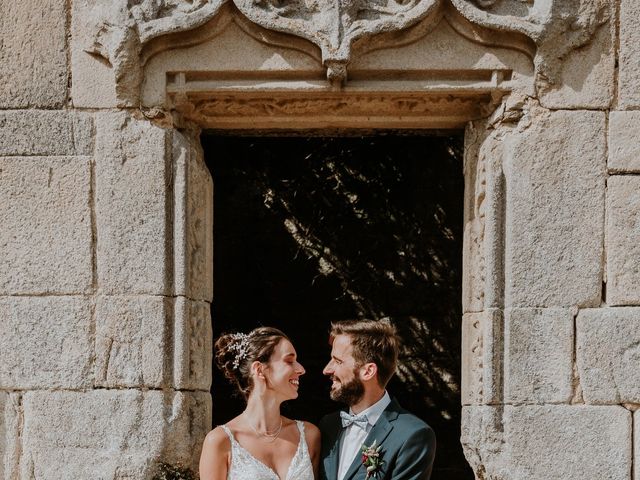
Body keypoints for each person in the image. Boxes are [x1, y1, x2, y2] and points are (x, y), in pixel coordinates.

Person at [319, 320, 435, 480]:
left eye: (338, 361)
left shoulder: (412, 435)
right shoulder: (327, 426)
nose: (327, 370)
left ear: (368, 371)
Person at [199, 327, 320, 480]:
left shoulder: (309, 436)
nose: (301, 369)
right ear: (259, 369)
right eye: (289, 361)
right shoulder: (220, 441)